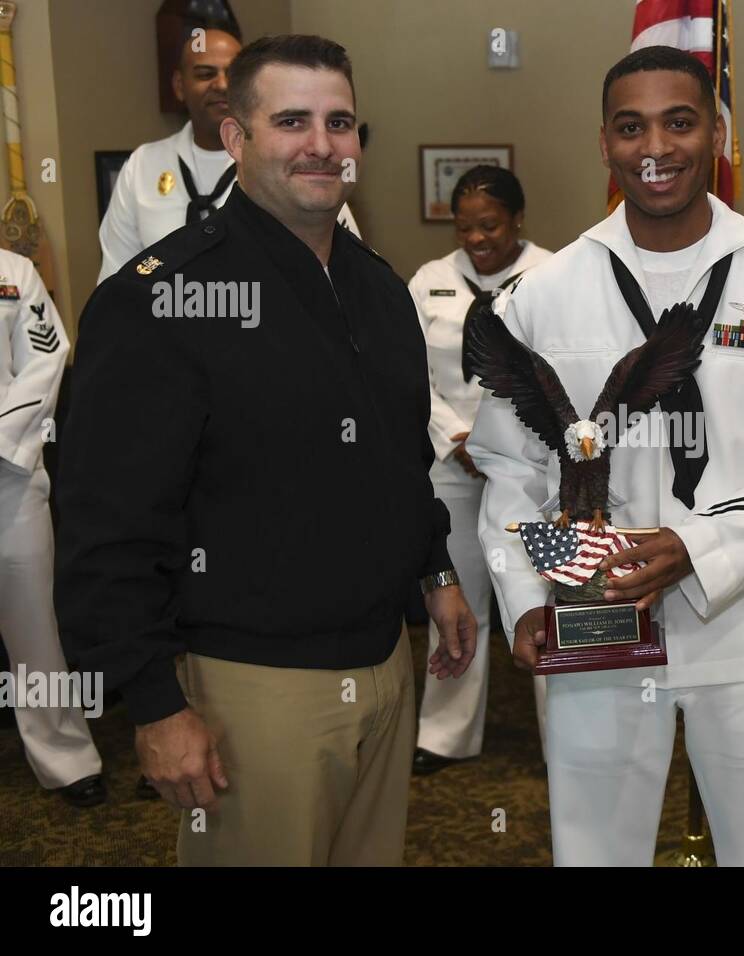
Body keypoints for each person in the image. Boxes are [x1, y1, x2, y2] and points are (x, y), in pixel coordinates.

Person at [55, 34, 475, 866]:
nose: (322, 144)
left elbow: (395, 457)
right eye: (292, 120)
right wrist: (152, 704)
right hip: (255, 689)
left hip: (386, 666)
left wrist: (436, 571)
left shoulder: (381, 291)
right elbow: (107, 522)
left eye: (340, 122)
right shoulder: (162, 300)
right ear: (234, 139)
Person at [468, 46, 744, 866]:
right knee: (595, 850)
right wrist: (521, 599)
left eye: (680, 122)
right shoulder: (547, 292)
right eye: (631, 126)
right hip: (593, 627)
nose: (656, 146)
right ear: (604, 144)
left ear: (717, 132)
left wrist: (697, 548)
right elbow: (508, 470)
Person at [407, 166, 551, 774]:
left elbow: (559, 374)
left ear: (518, 219)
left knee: (545, 597)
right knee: (454, 596)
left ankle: (563, 732)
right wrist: (454, 435)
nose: (476, 238)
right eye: (463, 227)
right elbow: (409, 371)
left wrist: (501, 441)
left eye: (489, 225)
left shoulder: (555, 275)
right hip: (452, 464)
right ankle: (444, 733)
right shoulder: (429, 281)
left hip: (533, 465)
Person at [96, 20, 359, 285]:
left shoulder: (296, 174)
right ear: (179, 85)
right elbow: (117, 278)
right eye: (205, 73)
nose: (221, 85)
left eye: (231, 74)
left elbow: (346, 276)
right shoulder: (142, 167)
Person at [0, 248, 104, 808]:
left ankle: (65, 756)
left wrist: (2, 443)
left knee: (35, 627)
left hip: (10, 483)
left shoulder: (13, 272)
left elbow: (48, 356)